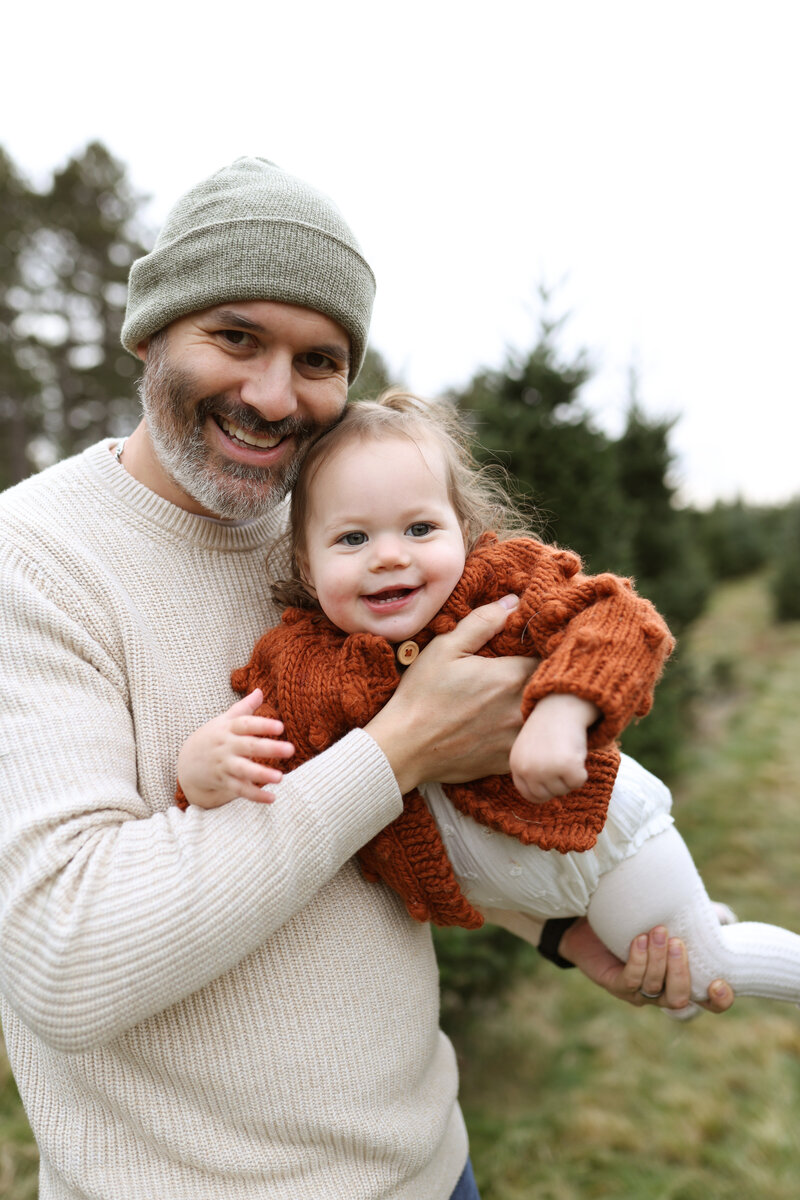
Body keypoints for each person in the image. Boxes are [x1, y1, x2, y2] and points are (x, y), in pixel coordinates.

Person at [0, 157, 733, 1200]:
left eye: (317, 357)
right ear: (149, 334)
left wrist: (565, 929)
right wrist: (393, 750)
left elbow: (424, 813)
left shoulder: (345, 546)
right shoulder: (31, 559)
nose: (270, 394)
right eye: (234, 337)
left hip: (430, 1168)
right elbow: (63, 961)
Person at [177, 389, 800, 1013]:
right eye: (352, 538)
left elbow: (620, 619)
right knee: (676, 984)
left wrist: (562, 709)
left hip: (606, 838)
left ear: (464, 530)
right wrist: (201, 773)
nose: (390, 554)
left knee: (703, 971)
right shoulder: (301, 665)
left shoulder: (498, 585)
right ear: (307, 566)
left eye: (420, 528)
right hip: (526, 896)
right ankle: (695, 917)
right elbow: (272, 772)